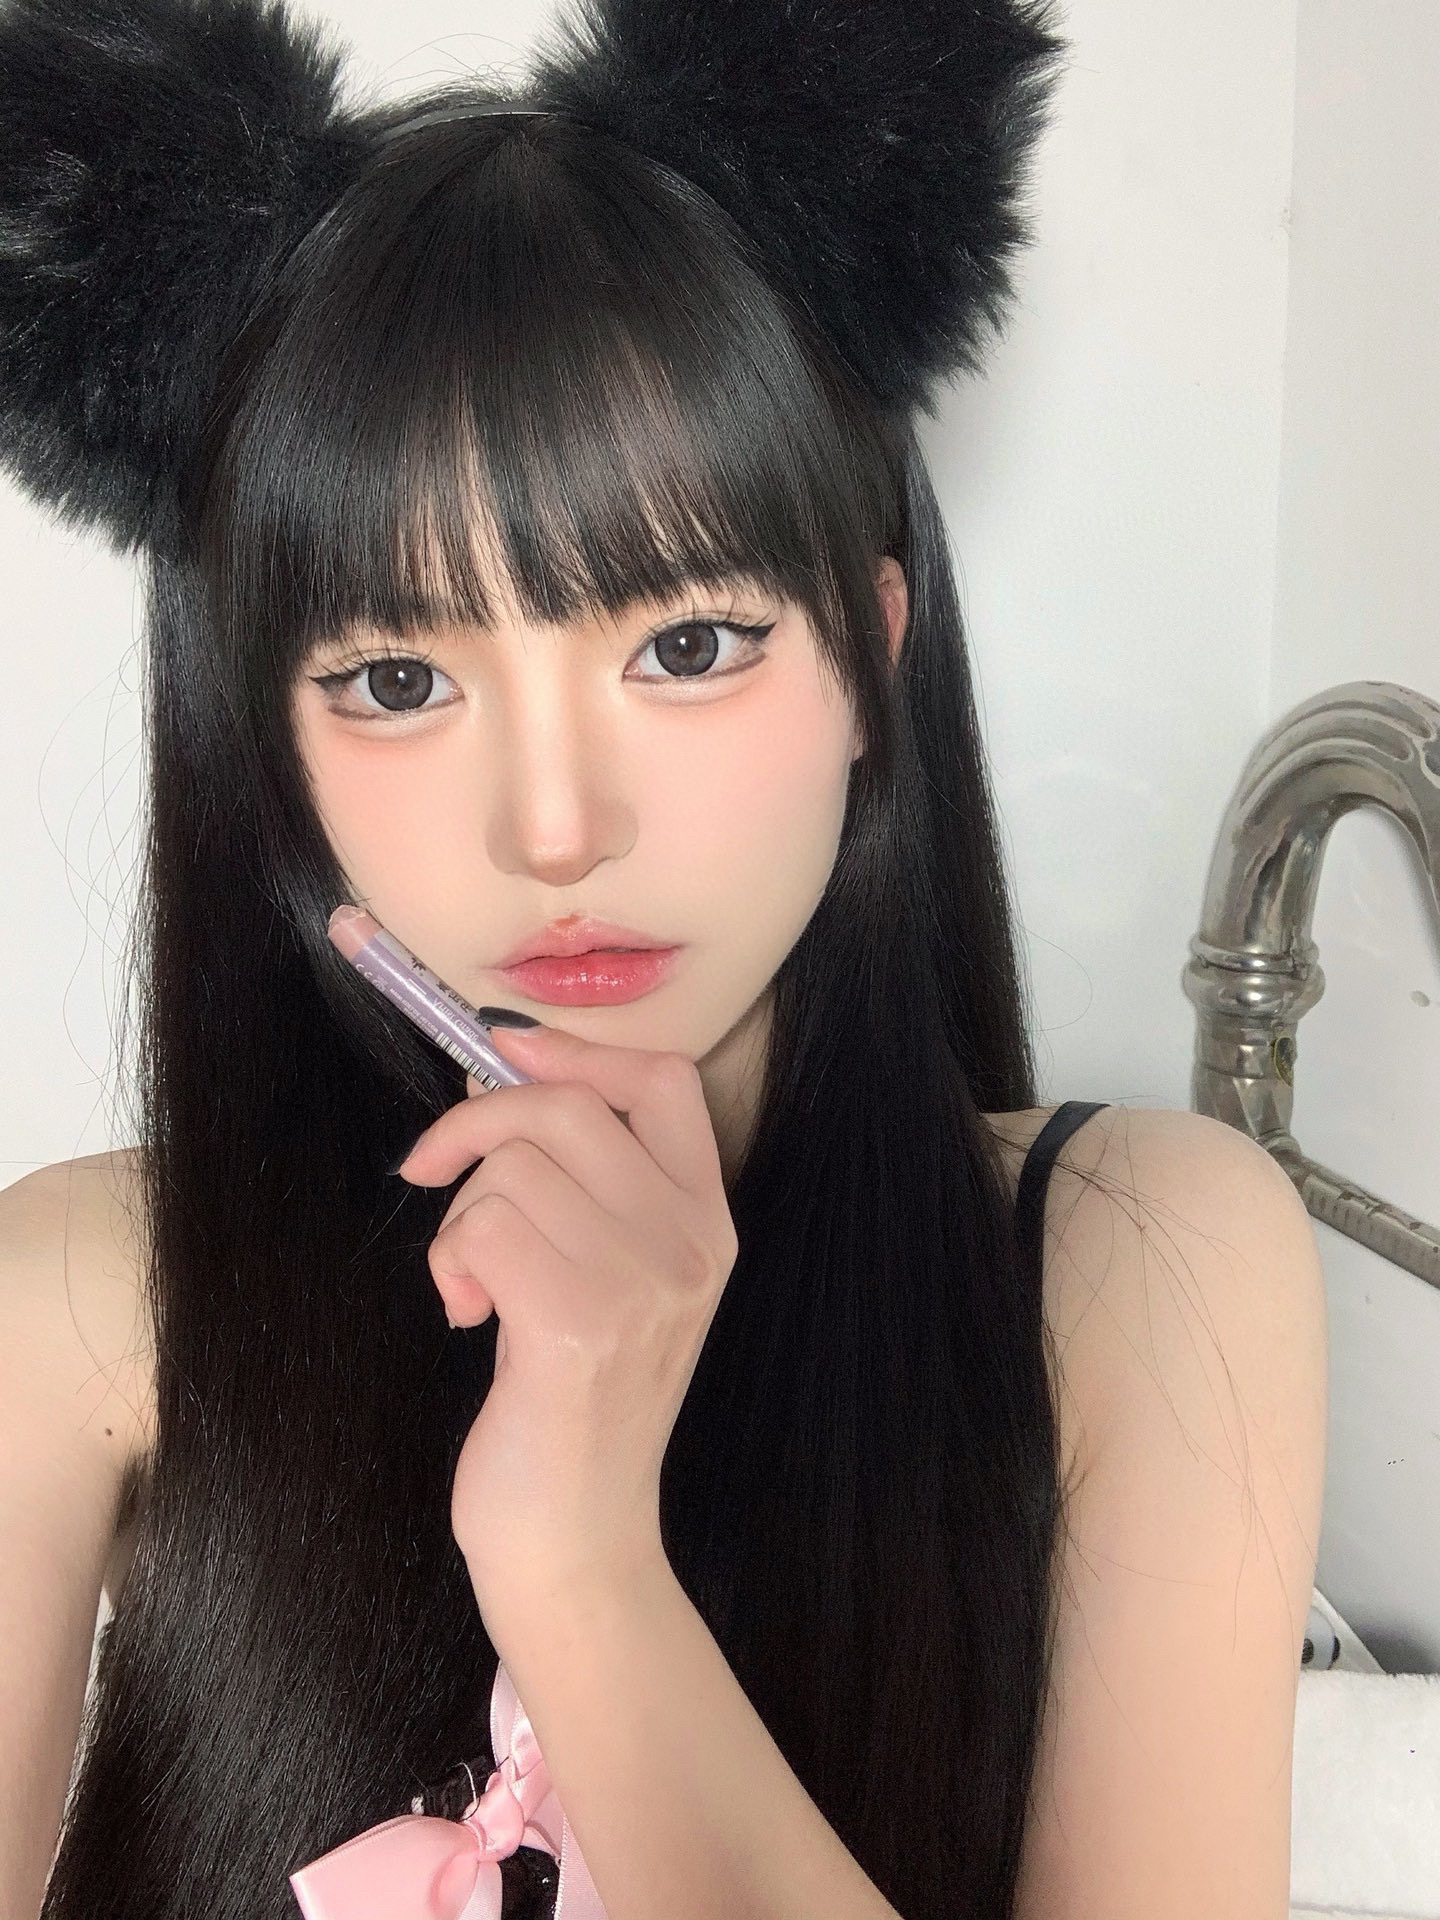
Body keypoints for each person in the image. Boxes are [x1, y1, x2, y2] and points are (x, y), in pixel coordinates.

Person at [0, 1, 1329, 1917]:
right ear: (267, 745)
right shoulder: (81, 1299)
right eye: (398, 681)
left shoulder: (1133, 1267)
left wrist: (580, 1564)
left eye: (686, 647)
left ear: (872, 656)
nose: (559, 830)